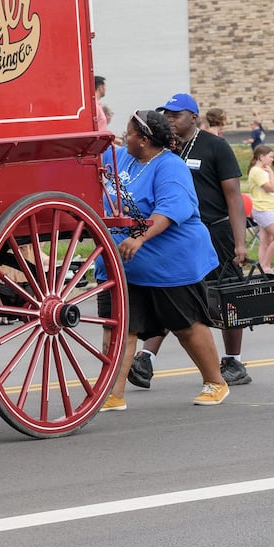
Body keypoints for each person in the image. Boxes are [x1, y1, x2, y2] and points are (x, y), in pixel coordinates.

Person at [103, 110, 230, 410]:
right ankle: (113, 393)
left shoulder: (170, 167)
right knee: (122, 327)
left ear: (144, 140)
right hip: (126, 262)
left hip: (169, 261)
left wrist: (140, 238)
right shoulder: (123, 158)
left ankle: (216, 382)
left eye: (129, 132)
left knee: (185, 324)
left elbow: (169, 211)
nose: (125, 136)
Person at [129, 93, 250, 389]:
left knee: (225, 296)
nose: (170, 118)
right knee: (172, 294)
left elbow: (233, 196)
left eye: (176, 114)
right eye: (166, 114)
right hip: (172, 236)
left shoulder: (215, 146)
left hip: (214, 231)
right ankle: (147, 358)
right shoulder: (161, 151)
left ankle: (233, 359)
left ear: (194, 117)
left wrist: (240, 241)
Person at [247, 145, 274, 271]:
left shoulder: (262, 171)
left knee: (265, 241)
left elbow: (271, 188)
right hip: (263, 208)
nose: (272, 160)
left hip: (270, 207)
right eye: (270, 157)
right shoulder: (257, 171)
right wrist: (270, 173)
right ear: (261, 157)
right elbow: (268, 187)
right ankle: (266, 265)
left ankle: (263, 269)